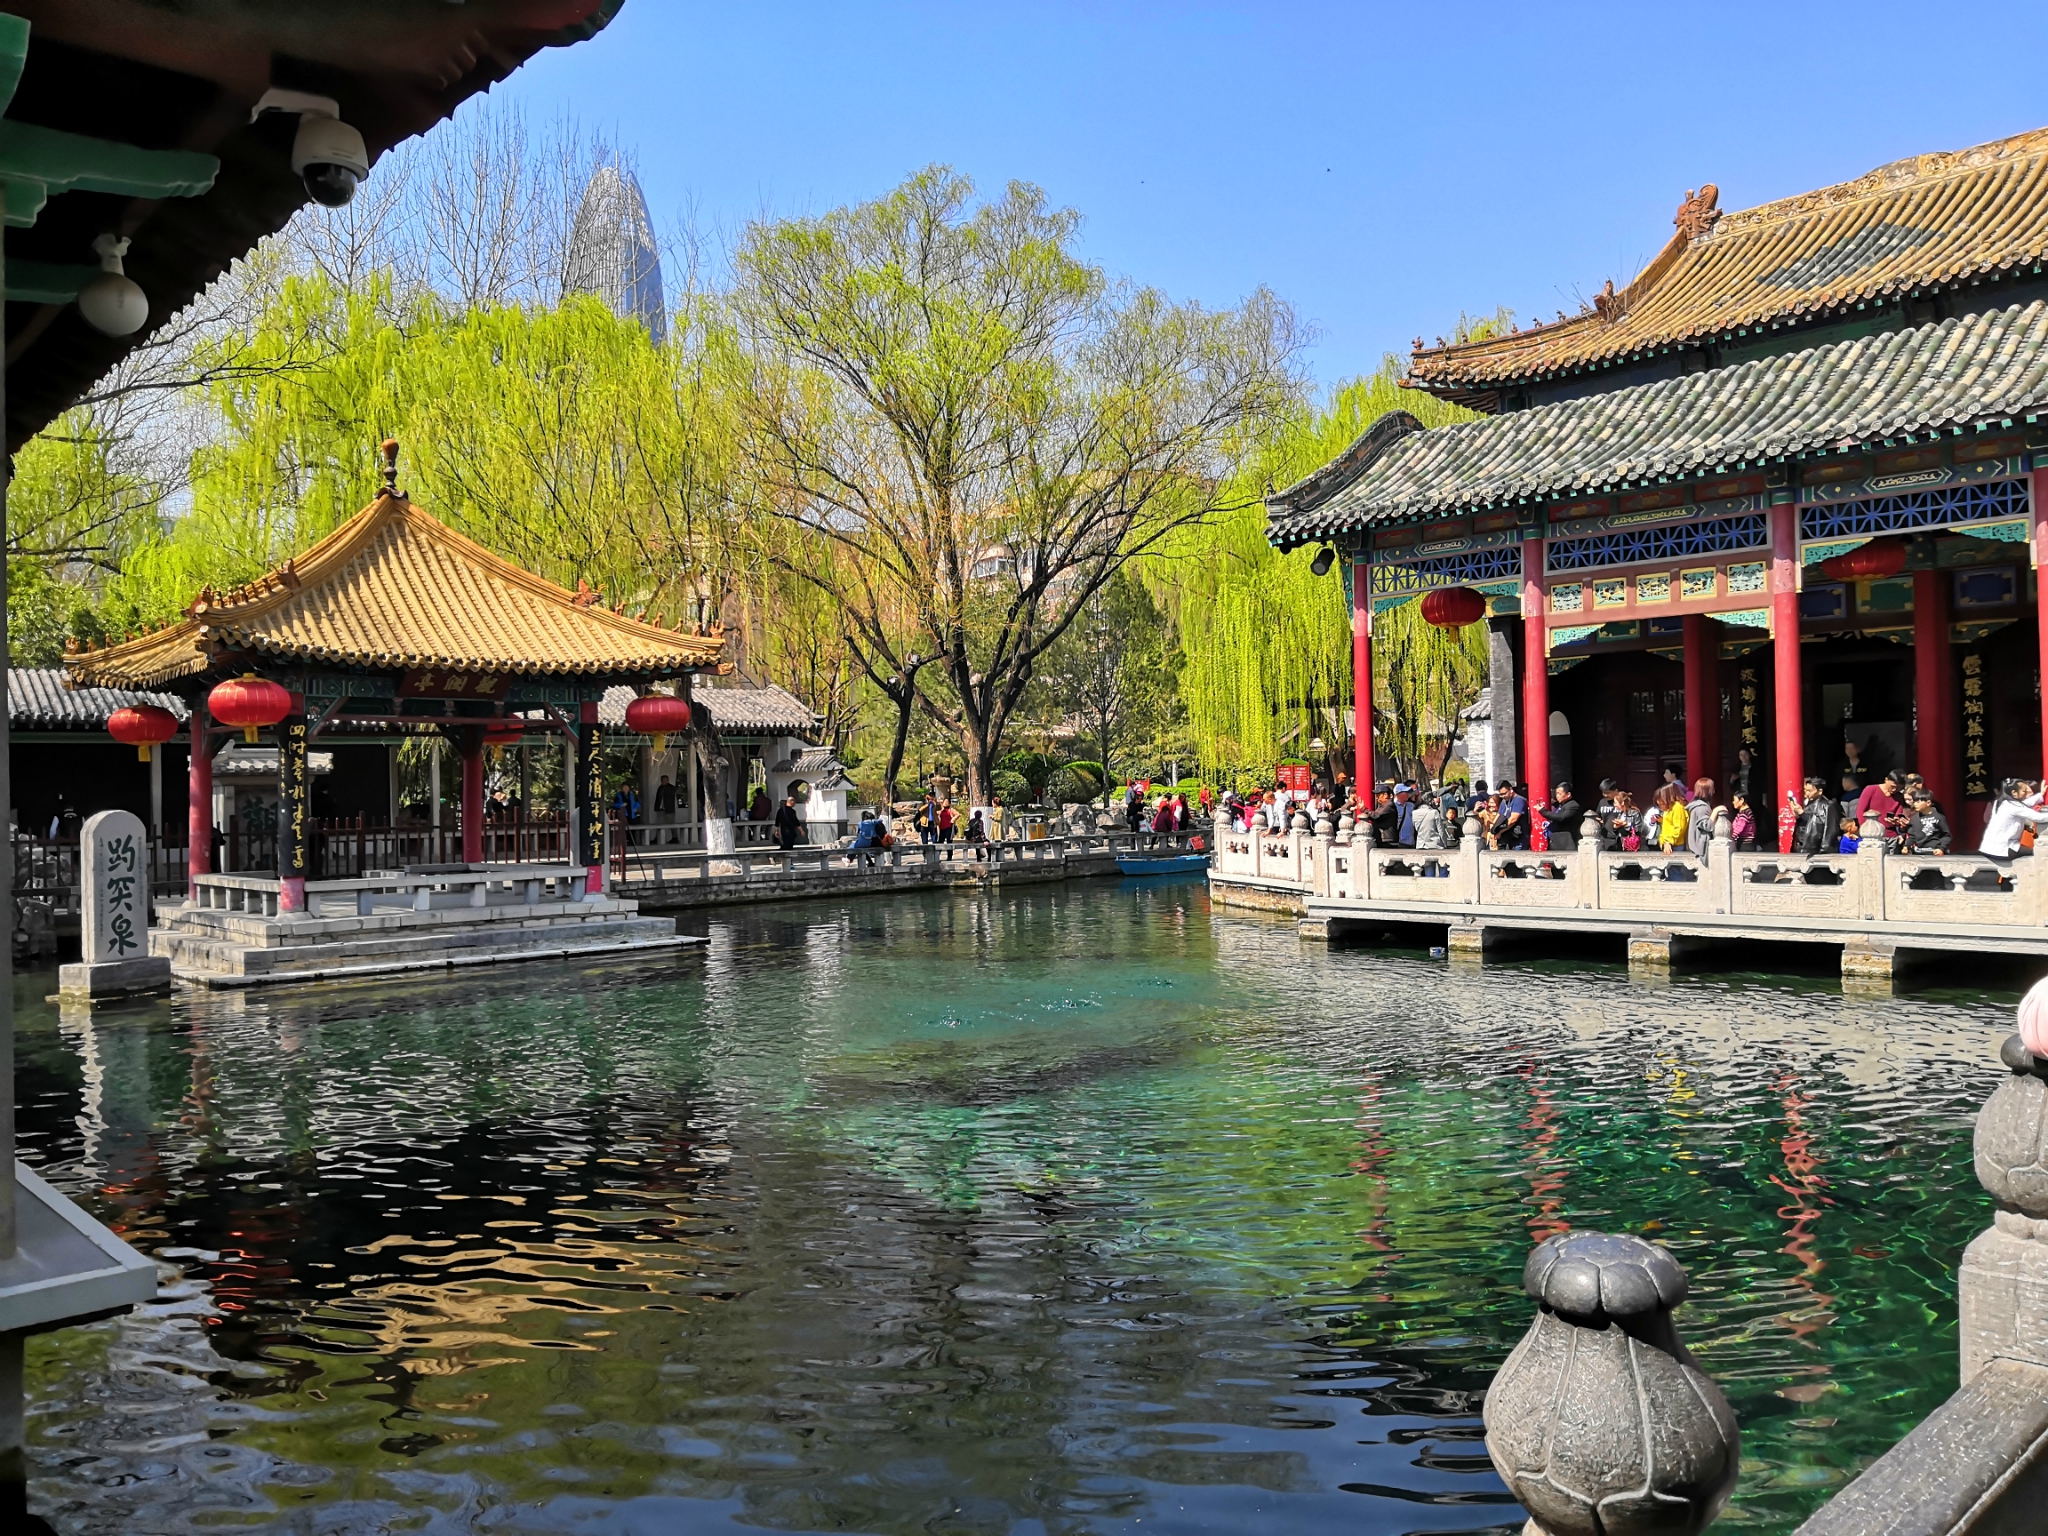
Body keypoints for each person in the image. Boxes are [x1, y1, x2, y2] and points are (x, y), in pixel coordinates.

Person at [1982, 779, 2048, 858]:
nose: (2028, 791)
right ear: (2014, 793)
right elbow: (2038, 817)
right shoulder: (2013, 806)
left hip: (1989, 848)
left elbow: (2024, 804)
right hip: (2004, 849)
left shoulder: (2001, 802)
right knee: (2040, 852)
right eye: (2024, 791)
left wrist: (2041, 795)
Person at [1792, 775, 1838, 856]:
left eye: (1809, 791)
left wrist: (1824, 849)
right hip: (1802, 844)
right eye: (1805, 790)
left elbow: (1830, 829)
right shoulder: (1807, 804)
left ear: (1819, 791)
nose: (1807, 793)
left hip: (1816, 848)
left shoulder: (1827, 806)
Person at [1540, 781, 1580, 852]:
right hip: (1556, 842)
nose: (1557, 796)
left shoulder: (1572, 805)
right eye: (1556, 794)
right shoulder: (1561, 805)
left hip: (1566, 843)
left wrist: (1543, 811)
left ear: (1568, 794)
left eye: (1560, 794)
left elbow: (1561, 817)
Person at [1685, 778, 1714, 859]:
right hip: (1700, 847)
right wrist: (1715, 812)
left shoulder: (1699, 805)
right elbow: (1707, 826)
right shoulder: (1701, 808)